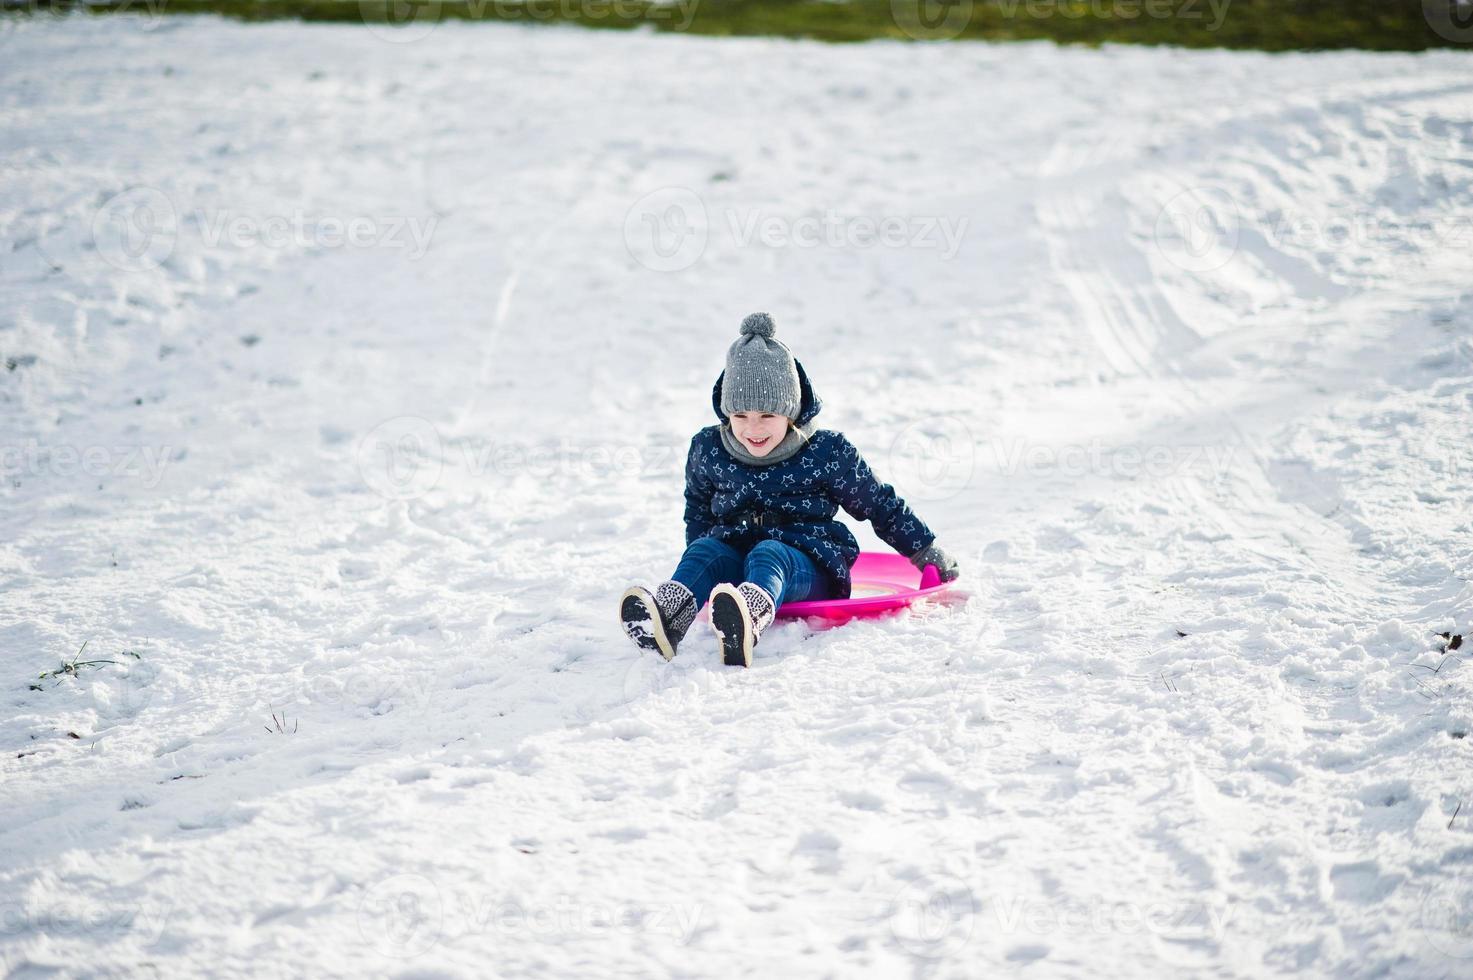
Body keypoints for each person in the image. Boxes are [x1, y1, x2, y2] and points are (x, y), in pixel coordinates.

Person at [620, 312, 961, 668]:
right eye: (740, 416)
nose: (753, 428)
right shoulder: (709, 449)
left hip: (808, 566)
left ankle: (746, 620)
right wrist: (703, 569)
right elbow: (698, 509)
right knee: (706, 549)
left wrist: (924, 551)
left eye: (767, 416)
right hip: (737, 565)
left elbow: (879, 504)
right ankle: (667, 617)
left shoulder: (825, 453)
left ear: (791, 412)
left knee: (770, 552)